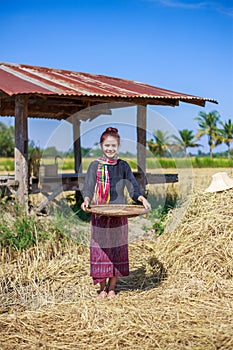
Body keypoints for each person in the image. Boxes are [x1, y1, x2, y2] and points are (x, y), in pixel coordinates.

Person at [81, 127, 151, 299]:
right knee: (100, 250)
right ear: (101, 146)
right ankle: (102, 288)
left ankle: (112, 288)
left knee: (117, 249)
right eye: (107, 146)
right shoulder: (95, 166)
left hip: (119, 214)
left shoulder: (123, 166)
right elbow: (88, 186)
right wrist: (87, 200)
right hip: (100, 213)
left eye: (113, 146)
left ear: (118, 146)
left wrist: (142, 199)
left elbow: (133, 187)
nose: (110, 149)